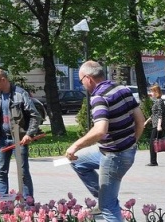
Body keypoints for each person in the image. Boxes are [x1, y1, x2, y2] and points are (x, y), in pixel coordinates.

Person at [65, 61, 144, 222]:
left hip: (114, 156)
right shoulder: (122, 88)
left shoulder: (99, 97)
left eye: (81, 81)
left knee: (108, 208)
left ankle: (107, 202)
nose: (83, 85)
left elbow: (101, 130)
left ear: (88, 78)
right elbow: (141, 121)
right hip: (118, 151)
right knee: (77, 161)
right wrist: (132, 142)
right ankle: (105, 197)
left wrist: (76, 145)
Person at [0, 69, 41, 200]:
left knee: (23, 173)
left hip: (19, 139)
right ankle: (4, 202)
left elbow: (35, 116)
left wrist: (29, 134)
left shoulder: (20, 94)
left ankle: (28, 202)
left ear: (4, 80)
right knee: (1, 172)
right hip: (1, 139)